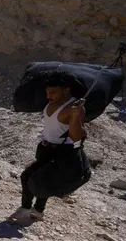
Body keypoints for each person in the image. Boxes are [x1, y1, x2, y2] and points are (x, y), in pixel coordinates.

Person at [9, 71, 91, 222]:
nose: (49, 96)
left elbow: (76, 136)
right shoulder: (52, 103)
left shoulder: (74, 108)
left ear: (66, 89)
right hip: (45, 148)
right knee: (44, 179)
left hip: (61, 151)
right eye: (47, 92)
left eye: (53, 92)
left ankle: (25, 208)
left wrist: (74, 116)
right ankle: (38, 211)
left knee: (28, 175)